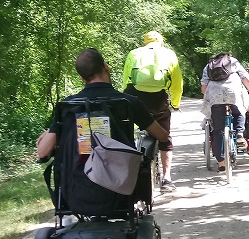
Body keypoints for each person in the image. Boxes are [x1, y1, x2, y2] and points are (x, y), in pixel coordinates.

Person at [36, 48, 169, 162]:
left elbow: (43, 152)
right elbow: (162, 136)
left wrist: (52, 129)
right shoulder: (128, 102)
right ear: (106, 67)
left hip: (78, 181)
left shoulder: (68, 106)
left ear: (83, 79)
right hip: (121, 180)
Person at [122, 31, 183, 193]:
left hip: (134, 96)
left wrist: (125, 101)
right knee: (164, 136)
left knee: (125, 129)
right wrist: (175, 104)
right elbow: (177, 83)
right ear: (161, 42)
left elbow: (126, 79)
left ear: (145, 42)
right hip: (157, 99)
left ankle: (125, 173)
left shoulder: (134, 53)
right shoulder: (169, 54)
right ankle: (167, 178)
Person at [201, 53, 249, 172]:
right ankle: (240, 135)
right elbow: (246, 80)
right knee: (240, 111)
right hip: (233, 92)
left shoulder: (208, 66)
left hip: (215, 95)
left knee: (218, 130)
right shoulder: (233, 61)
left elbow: (204, 88)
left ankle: (221, 163)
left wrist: (212, 95)